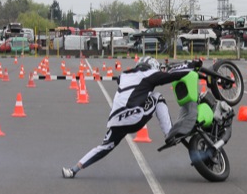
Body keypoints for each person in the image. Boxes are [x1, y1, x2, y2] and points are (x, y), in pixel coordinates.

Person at [62, 56, 202, 178]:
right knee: (158, 97)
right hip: (135, 116)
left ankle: (74, 169)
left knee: (104, 147)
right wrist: (192, 65)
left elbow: (126, 83)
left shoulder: (124, 75)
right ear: (152, 67)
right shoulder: (149, 74)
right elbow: (173, 75)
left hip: (116, 120)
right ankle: (169, 133)